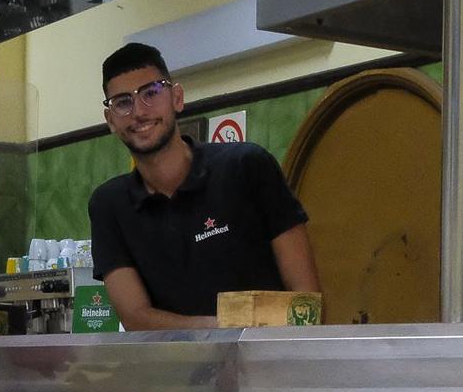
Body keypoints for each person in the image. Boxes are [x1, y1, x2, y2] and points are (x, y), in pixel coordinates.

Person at [88, 41, 320, 328]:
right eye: (123, 102)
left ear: (177, 98)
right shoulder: (109, 205)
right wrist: (226, 333)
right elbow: (136, 317)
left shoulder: (247, 166)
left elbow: (305, 298)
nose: (139, 111)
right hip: (179, 370)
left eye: (152, 92)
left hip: (268, 364)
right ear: (110, 120)